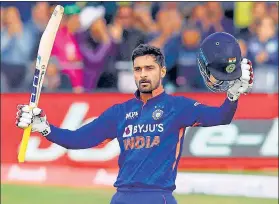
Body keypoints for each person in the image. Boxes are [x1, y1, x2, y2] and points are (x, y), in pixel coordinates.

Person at [15, 32, 253, 204]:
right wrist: (44, 127)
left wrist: (232, 95)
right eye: (138, 70)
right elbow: (78, 139)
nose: (143, 75)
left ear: (162, 71)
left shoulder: (178, 107)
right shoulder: (119, 113)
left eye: (149, 68)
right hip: (121, 198)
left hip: (158, 197)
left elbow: (221, 116)